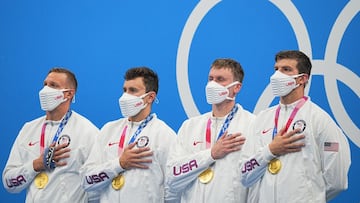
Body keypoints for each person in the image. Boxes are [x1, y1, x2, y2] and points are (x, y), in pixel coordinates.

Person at [240, 50, 351, 203]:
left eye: (286, 70)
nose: (277, 75)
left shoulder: (320, 121)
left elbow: (337, 181)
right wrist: (270, 151)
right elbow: (244, 174)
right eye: (276, 69)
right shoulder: (261, 120)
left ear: (302, 79)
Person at [2, 68, 100, 203]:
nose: (45, 90)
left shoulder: (88, 132)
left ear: (69, 94)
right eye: (45, 84)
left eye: (53, 85)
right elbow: (9, 183)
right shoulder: (28, 129)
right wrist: (36, 165)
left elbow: (98, 187)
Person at [80, 66, 176, 202]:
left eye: (133, 91)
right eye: (124, 90)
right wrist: (119, 164)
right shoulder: (108, 130)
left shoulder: (164, 135)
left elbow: (172, 188)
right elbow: (86, 181)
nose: (125, 96)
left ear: (150, 97)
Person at [165, 58, 256, 203]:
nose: (213, 84)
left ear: (237, 87)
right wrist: (211, 154)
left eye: (220, 79)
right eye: (210, 79)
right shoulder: (190, 127)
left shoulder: (252, 125)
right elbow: (172, 176)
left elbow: (255, 181)